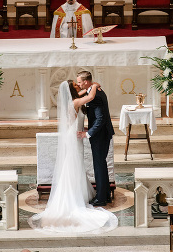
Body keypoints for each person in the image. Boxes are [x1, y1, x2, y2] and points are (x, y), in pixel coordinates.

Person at [28, 80, 117, 233]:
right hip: (74, 137)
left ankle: (79, 192)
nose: (79, 87)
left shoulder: (73, 99)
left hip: (76, 137)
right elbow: (89, 98)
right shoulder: (75, 101)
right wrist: (94, 85)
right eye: (76, 85)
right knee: (72, 164)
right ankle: (72, 195)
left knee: (76, 164)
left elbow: (84, 93)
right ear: (71, 90)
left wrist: (89, 86)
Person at [76, 71, 114, 206]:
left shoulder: (95, 95)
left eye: (79, 82)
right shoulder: (94, 90)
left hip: (100, 134)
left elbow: (100, 118)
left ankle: (101, 198)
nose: (79, 84)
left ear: (86, 82)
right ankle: (106, 194)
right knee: (101, 164)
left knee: (99, 166)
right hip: (101, 133)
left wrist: (87, 133)